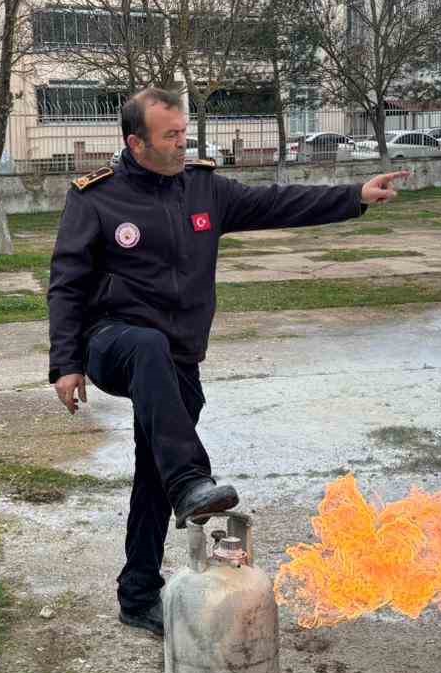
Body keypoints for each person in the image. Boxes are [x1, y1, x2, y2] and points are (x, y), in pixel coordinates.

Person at [47, 88, 408, 636]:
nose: (182, 141)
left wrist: (354, 196)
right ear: (135, 142)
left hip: (178, 360)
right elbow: (67, 284)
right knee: (149, 365)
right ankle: (193, 479)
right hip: (113, 342)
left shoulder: (203, 188)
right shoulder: (97, 198)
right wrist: (65, 363)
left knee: (154, 473)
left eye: (183, 131)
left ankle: (138, 592)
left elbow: (276, 203)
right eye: (170, 135)